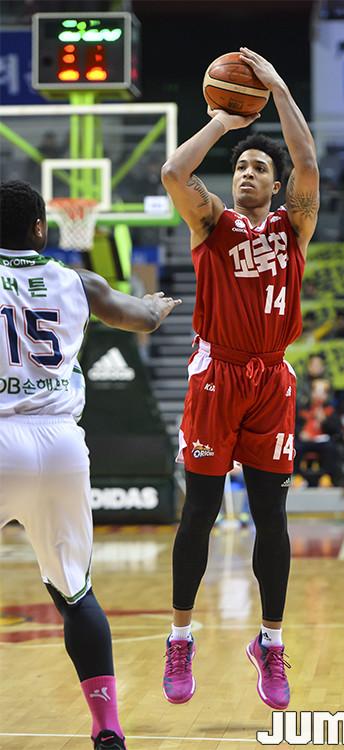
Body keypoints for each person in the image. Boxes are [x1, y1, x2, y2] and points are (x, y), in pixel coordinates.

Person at [160, 48, 319, 710]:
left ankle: (271, 644)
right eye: (241, 168)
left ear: (276, 186)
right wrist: (224, 123)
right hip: (217, 377)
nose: (248, 173)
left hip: (271, 381)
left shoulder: (294, 226)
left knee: (271, 518)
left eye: (260, 168)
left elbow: (307, 162)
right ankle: (180, 638)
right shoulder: (212, 223)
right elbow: (174, 171)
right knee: (199, 511)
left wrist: (277, 88)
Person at [0, 181, 181, 750]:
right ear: (39, 228)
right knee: (74, 593)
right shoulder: (77, 281)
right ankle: (108, 728)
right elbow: (142, 319)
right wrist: (156, 307)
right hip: (59, 444)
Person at [295, 378, 337, 486]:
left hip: (322, 441)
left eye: (322, 392)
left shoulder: (331, 410)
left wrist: (325, 421)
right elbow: (295, 424)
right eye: (316, 392)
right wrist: (300, 433)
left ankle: (326, 476)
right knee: (295, 447)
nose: (318, 395)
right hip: (305, 440)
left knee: (331, 448)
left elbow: (335, 430)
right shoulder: (303, 408)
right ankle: (297, 476)